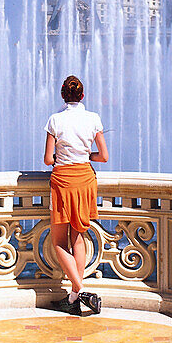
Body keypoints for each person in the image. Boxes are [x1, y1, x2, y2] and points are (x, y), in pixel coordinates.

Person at [43, 75, 108, 315]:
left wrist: (64, 157)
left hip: (63, 182)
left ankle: (80, 292)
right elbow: (103, 156)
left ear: (63, 95)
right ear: (82, 96)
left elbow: (49, 159)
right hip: (85, 180)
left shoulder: (55, 120)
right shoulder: (93, 119)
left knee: (58, 242)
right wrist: (86, 155)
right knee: (77, 239)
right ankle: (74, 297)